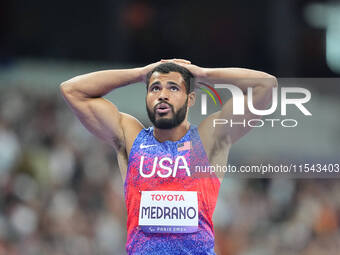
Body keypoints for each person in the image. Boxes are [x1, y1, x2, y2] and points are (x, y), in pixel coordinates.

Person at [60, 58, 277, 254]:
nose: (162, 94)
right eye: (155, 88)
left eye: (173, 87)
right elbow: (72, 90)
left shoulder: (208, 138)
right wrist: (139, 73)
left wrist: (202, 74)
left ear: (190, 98)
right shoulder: (131, 137)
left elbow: (266, 85)